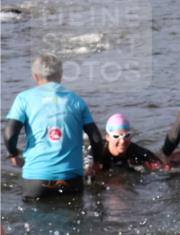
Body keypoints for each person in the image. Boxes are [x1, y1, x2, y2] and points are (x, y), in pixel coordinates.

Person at [3, 54, 104, 199]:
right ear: (61, 75)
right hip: (71, 179)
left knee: (34, 220)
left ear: (35, 76)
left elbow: (9, 135)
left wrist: (13, 154)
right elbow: (96, 138)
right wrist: (96, 163)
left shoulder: (24, 99)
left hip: (36, 180)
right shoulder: (76, 100)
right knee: (73, 218)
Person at [89, 114, 164, 172]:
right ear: (108, 137)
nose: (122, 141)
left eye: (126, 136)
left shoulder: (135, 151)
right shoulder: (97, 152)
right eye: (116, 136)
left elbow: (160, 165)